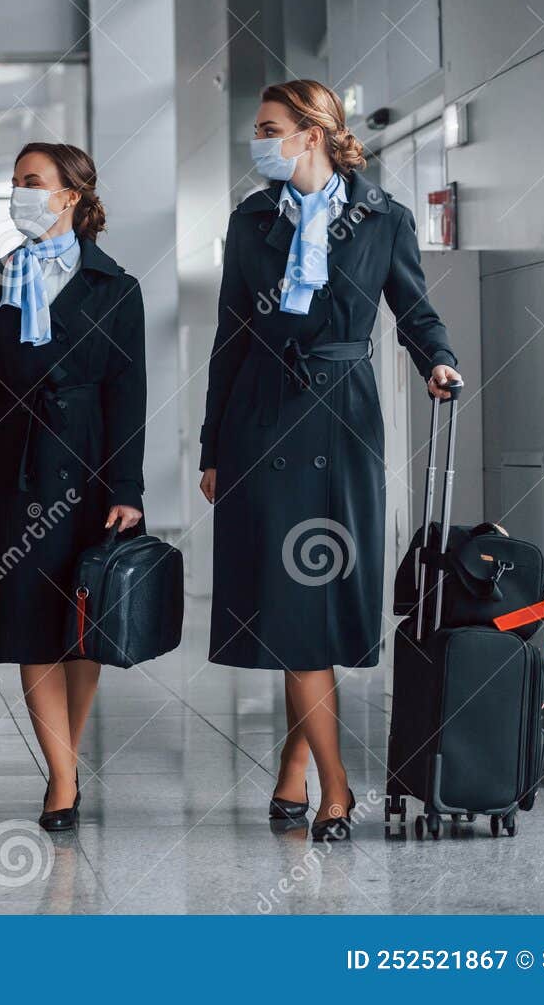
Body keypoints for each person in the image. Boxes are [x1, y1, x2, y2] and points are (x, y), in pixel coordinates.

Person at [198, 78, 461, 842]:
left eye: (270, 126)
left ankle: (292, 773)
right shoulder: (249, 220)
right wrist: (215, 445)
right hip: (261, 419)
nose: (259, 140)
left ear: (312, 133)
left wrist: (437, 359)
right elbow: (228, 338)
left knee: (318, 604)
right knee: (292, 606)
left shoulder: (383, 217)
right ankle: (334, 790)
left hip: (343, 419)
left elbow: (413, 308)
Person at [0, 142, 146, 831]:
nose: (19, 193)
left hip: (93, 471)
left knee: (81, 625)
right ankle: (62, 776)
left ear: (71, 195)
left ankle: (65, 759)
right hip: (16, 470)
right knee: (32, 623)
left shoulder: (117, 287)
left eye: (31, 182)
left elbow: (130, 391)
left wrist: (128, 485)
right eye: (14, 183)